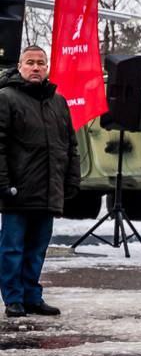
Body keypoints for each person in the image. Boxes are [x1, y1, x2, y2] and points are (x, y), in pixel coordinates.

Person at [0, 46, 79, 319]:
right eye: (30, 62)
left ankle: (32, 296)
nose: (36, 67)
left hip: (48, 190)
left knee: (37, 249)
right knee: (12, 248)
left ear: (47, 68)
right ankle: (13, 299)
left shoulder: (58, 102)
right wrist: (3, 183)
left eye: (41, 63)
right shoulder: (6, 98)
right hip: (17, 190)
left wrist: (71, 180)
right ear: (20, 66)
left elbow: (70, 145)